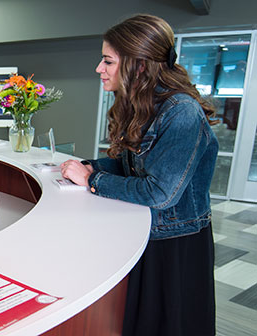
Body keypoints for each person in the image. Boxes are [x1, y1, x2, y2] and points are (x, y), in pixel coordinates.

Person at [60, 14, 217, 336]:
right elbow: (134, 167)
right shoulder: (144, 106)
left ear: (139, 65)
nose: (98, 69)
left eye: (108, 61)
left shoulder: (181, 112)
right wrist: (92, 166)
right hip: (148, 232)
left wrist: (92, 180)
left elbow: (160, 193)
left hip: (175, 243)